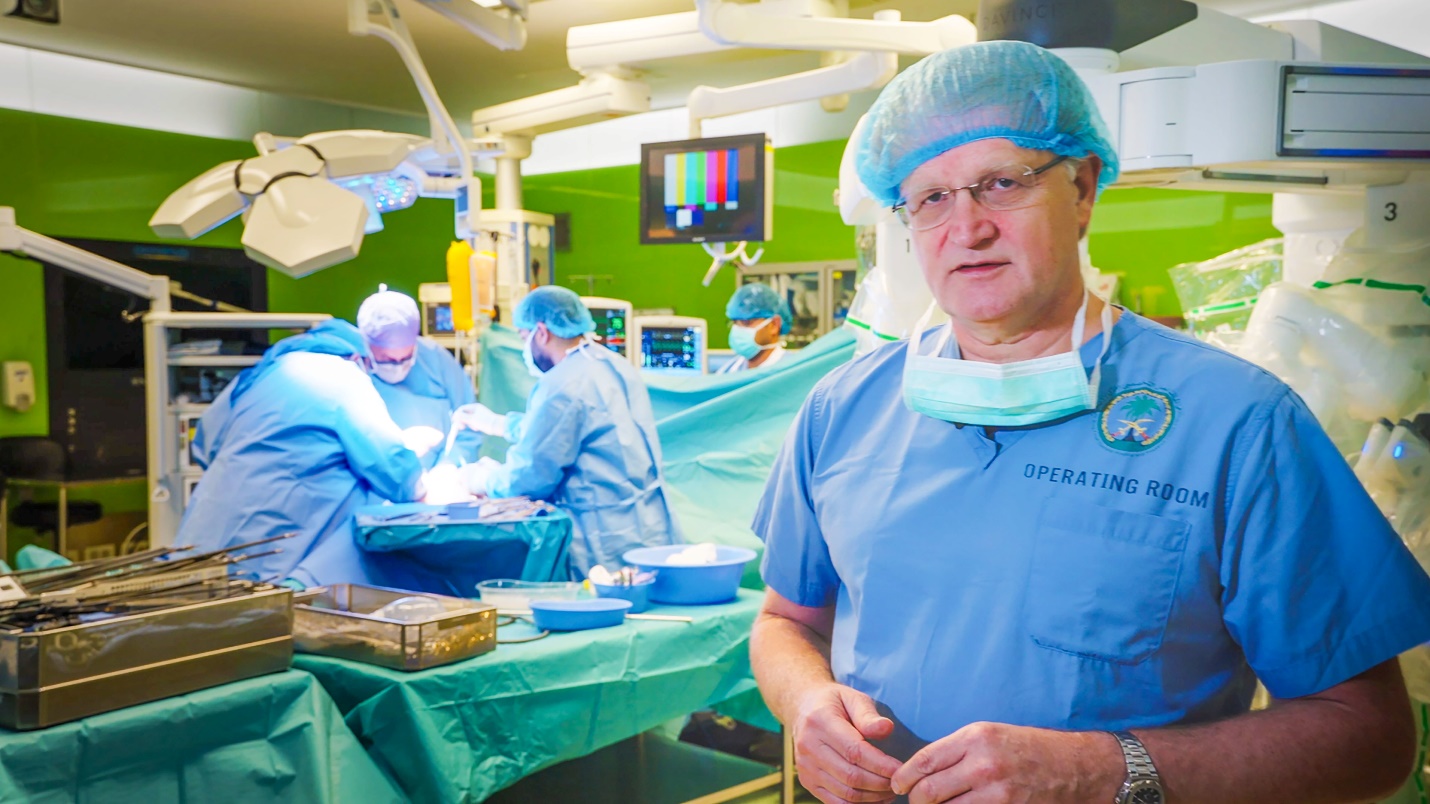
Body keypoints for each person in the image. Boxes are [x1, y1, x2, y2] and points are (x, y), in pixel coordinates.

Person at [750, 41, 1430, 804]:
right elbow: (785, 622)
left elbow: (1371, 737)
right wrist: (807, 702)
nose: (966, 228)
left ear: (1080, 189)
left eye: (1001, 184)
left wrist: (1102, 770)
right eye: (931, 198)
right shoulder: (843, 409)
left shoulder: (1237, 424)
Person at [177, 319, 430, 588]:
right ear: (359, 357)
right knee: (260, 606)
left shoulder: (262, 375)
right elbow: (389, 466)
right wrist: (420, 483)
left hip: (202, 536)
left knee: (195, 604)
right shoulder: (342, 374)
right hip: (268, 543)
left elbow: (205, 445)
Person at [454, 286, 682, 576]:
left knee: (607, 599)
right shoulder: (612, 364)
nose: (524, 348)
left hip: (602, 538)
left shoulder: (561, 385)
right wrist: (498, 424)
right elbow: (571, 430)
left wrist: (480, 479)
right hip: (648, 525)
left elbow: (529, 477)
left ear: (541, 332)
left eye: (523, 337)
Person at [357, 287, 479, 464]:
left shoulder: (435, 359)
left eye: (406, 357)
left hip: (438, 475)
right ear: (367, 345)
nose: (398, 366)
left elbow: (469, 426)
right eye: (387, 359)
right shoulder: (349, 371)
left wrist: (449, 467)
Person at [719, 282, 791, 374]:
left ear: (774, 325)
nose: (737, 329)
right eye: (735, 322)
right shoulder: (729, 370)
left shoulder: (791, 371)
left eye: (746, 322)